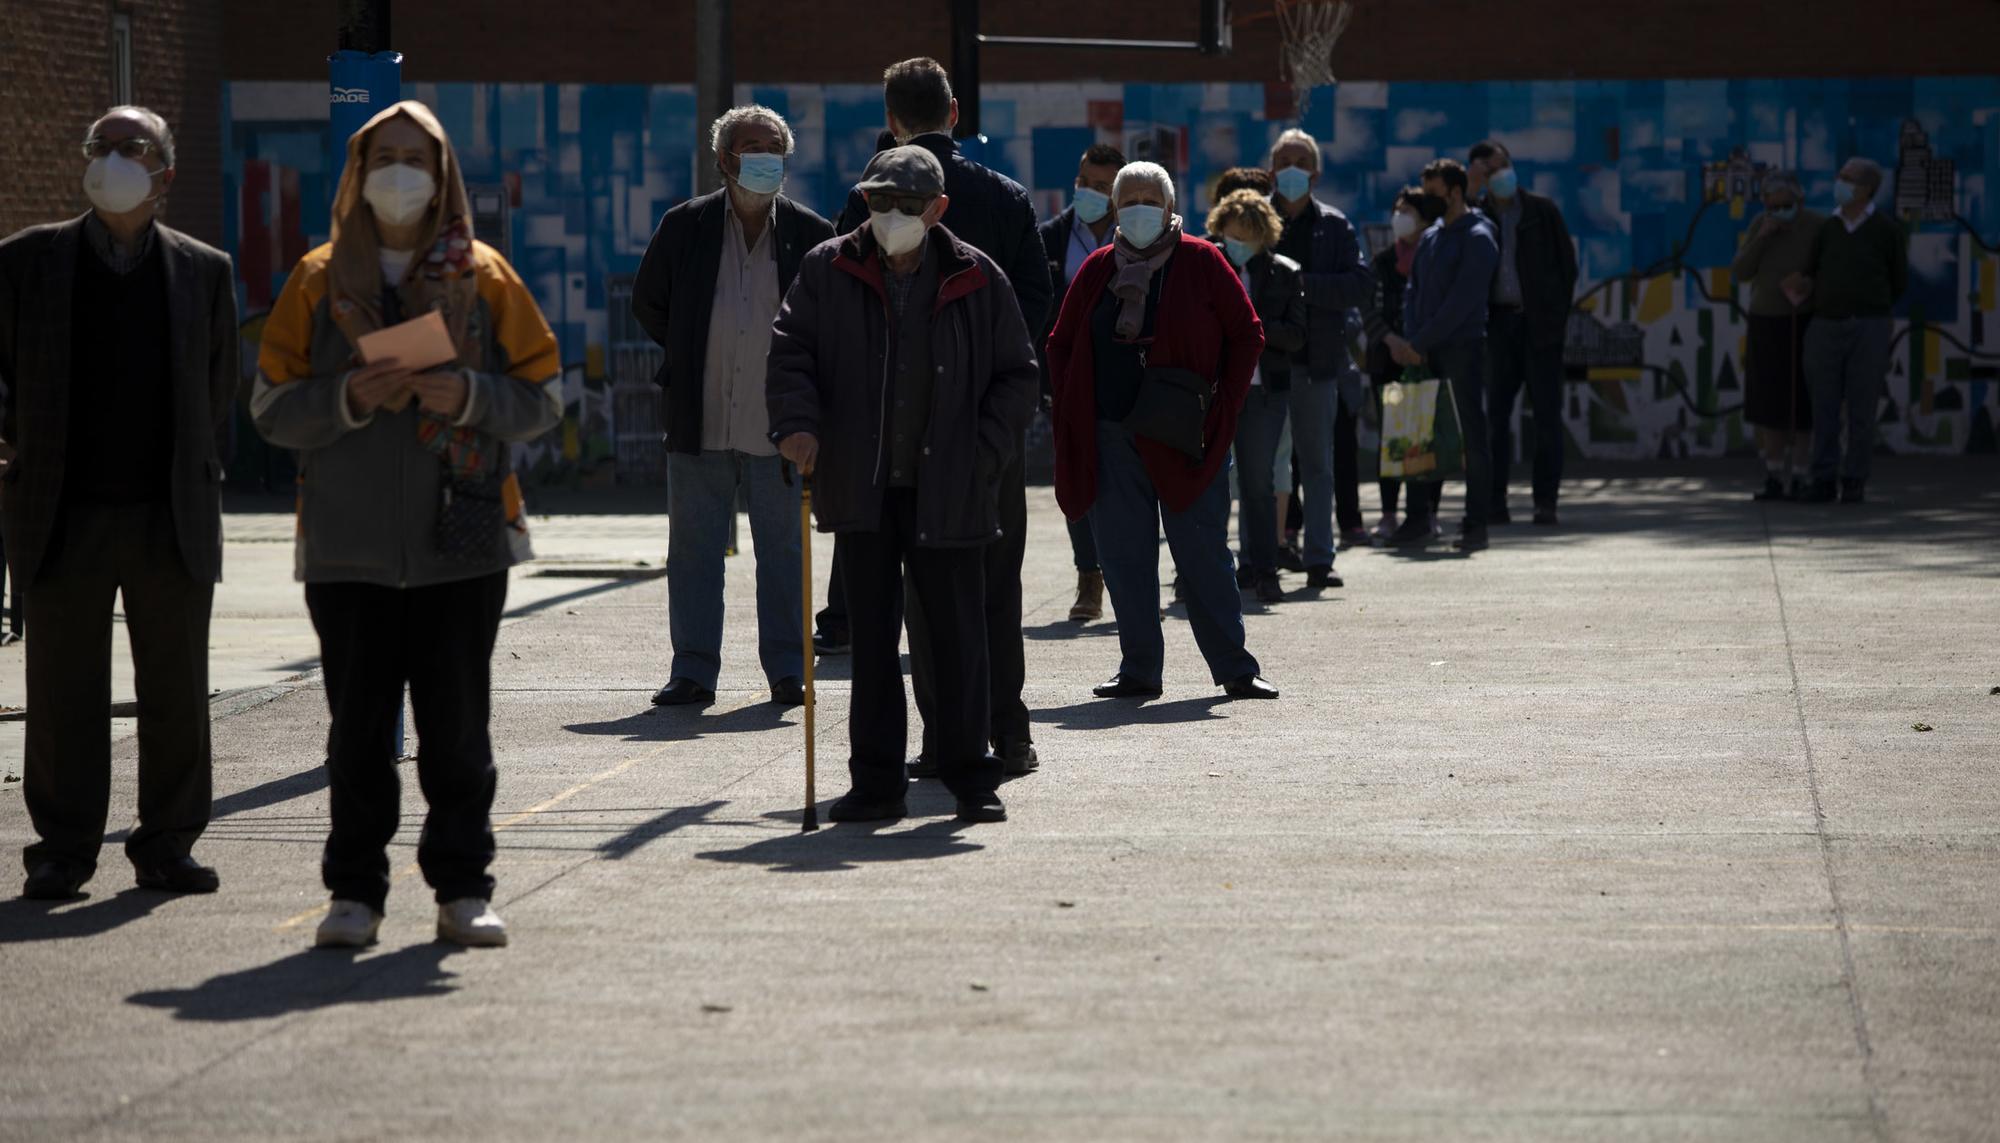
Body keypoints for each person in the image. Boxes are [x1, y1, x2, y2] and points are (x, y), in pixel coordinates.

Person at [252, 101, 563, 949]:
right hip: (347, 551)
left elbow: (544, 396)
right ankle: (355, 893)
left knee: (458, 731)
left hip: (461, 545)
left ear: (442, 176)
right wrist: (348, 398)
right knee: (356, 736)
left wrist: (466, 395)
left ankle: (463, 888)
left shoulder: (487, 277)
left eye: (415, 159)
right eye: (383, 156)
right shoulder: (318, 279)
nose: (399, 173)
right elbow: (271, 405)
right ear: (356, 175)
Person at [0, 106, 237, 901]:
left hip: (169, 515)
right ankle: (62, 848)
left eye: (130, 147)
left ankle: (168, 843)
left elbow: (217, 389)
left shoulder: (205, 270)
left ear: (164, 173)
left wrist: (206, 476)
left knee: (175, 693)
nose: (111, 157)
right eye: (98, 145)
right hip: (60, 512)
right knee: (63, 696)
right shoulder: (27, 262)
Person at [766, 145, 1039, 824]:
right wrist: (797, 425)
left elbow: (1018, 375)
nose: (890, 215)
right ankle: (876, 781)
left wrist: (984, 453)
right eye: (879, 200)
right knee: (874, 642)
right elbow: (790, 348)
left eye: (907, 205)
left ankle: (973, 774)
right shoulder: (826, 268)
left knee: (958, 640)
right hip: (863, 485)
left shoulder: (979, 275)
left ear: (937, 209)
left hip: (950, 484)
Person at [830, 58, 1052, 779]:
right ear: (955, 112)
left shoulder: (867, 200)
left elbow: (840, 302)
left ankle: (942, 736)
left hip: (902, 430)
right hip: (986, 422)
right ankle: (1008, 728)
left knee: (925, 591)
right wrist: (1005, 415)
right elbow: (1037, 311)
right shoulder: (1007, 196)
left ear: (892, 119)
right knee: (995, 577)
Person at [1048, 161, 1277, 701]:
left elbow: (1247, 335)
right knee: (1124, 556)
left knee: (1202, 553)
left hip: (1184, 433)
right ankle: (1139, 669)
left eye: (1151, 198)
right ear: (1115, 209)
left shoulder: (1202, 260)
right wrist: (1073, 405)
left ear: (1171, 208)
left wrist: (1225, 404)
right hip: (1111, 432)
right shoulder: (1099, 267)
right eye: (1129, 200)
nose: (1140, 208)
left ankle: (1235, 668)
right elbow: (1060, 342)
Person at [631, 106, 834, 709]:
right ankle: (693, 670)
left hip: (780, 425)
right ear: (723, 160)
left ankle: (789, 670)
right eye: (750, 146)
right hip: (701, 415)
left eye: (773, 146)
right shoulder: (685, 226)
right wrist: (694, 347)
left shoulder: (811, 233)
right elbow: (650, 304)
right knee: (693, 549)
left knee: (784, 551)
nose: (764, 156)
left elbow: (826, 324)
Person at [1269, 129, 1372, 585]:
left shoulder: (1334, 225)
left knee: (1317, 465)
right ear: (1271, 170)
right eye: (1283, 160)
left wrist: (1301, 285)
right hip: (1266, 366)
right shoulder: (1256, 221)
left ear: (1315, 172)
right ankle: (1265, 553)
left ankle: (1318, 558)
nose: (1291, 168)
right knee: (1263, 469)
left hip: (1317, 364)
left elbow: (1358, 284)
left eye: (1300, 161)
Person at [1387, 159, 1498, 553]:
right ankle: (1418, 518)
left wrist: (1419, 341)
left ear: (1454, 191)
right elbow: (1414, 292)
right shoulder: (1432, 235)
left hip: (1461, 349)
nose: (1427, 202)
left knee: (1471, 437)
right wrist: (1412, 341)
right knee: (1421, 434)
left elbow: (1462, 303)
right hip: (1425, 350)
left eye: (1433, 193)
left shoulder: (1479, 235)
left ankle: (1475, 523)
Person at [1468, 138, 1579, 527]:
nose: (1500, 176)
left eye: (1504, 167)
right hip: (1497, 327)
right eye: (1490, 171)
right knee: (1496, 420)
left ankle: (1545, 502)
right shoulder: (1475, 215)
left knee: (1547, 417)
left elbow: (1567, 268)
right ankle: (1495, 502)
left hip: (1540, 328)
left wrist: (1553, 318)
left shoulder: (1541, 212)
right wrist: (1471, 190)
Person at [1785, 157, 1908, 504]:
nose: (1839, 182)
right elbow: (1812, 270)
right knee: (1823, 405)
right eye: (1840, 176)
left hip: (1868, 326)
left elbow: (1898, 280)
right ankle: (1823, 478)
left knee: (1861, 408)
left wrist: (1871, 308)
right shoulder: (1828, 229)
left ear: (1866, 188)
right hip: (1825, 325)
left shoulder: (1886, 231)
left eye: (1847, 178)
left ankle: (1854, 479)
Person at [1039, 142, 1126, 623]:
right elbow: (1037, 306)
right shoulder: (1049, 238)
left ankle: (1129, 577)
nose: (1091, 193)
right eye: (1085, 183)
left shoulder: (1136, 236)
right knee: (1076, 475)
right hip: (1068, 378)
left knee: (1128, 478)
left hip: (1125, 377)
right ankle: (1088, 576)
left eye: (1102, 187)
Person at [1209, 190, 1308, 605]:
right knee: (1207, 484)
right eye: (1233, 234)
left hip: (1265, 391)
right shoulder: (1207, 265)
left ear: (1264, 235)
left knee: (1258, 484)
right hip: (1214, 392)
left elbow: (1296, 335)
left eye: (1248, 235)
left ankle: (1265, 569)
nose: (1238, 243)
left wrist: (1250, 326)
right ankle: (1204, 571)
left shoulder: (1285, 272)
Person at [1362, 186, 1447, 543]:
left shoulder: (1437, 258)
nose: (1400, 216)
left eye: (1408, 210)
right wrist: (1393, 342)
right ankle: (1388, 513)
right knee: (1392, 440)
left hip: (1428, 359)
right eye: (1397, 209)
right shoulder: (1381, 262)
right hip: (1388, 361)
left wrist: (1421, 344)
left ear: (1425, 219)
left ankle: (1429, 512)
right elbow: (1369, 309)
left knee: (1429, 439)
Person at [1730, 172, 1821, 501]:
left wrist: (1809, 284)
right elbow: (1740, 271)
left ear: (1800, 202)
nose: (1781, 211)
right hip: (1765, 319)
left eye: (1788, 205)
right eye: (1774, 207)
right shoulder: (1761, 224)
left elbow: (1826, 268)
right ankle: (1772, 474)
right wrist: (1762, 237)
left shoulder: (1816, 226)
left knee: (1801, 399)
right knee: (1768, 401)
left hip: (1802, 319)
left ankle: (1798, 473)